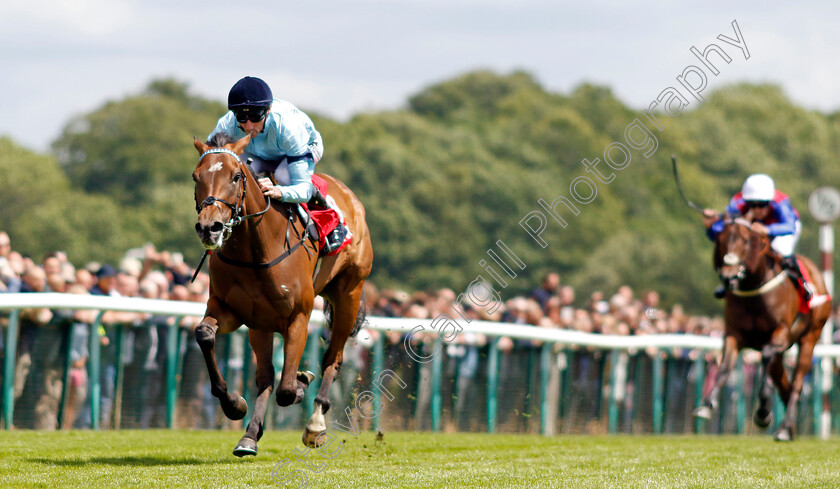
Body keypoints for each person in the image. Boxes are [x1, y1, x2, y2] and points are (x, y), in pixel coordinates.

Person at [207, 76, 349, 254]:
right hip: (259, 153)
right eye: (242, 117)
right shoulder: (227, 123)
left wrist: (279, 191)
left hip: (301, 148)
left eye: (254, 116)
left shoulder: (287, 126)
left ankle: (332, 218)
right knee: (238, 174)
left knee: (283, 176)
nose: (249, 125)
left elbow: (302, 189)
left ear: (268, 110)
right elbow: (211, 161)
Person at [703, 173, 812, 300]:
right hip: (756, 227)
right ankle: (728, 281)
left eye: (762, 204)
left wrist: (767, 229)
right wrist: (710, 225)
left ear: (769, 201)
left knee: (783, 250)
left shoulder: (780, 203)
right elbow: (719, 235)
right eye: (752, 205)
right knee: (735, 246)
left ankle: (803, 284)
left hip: (782, 228)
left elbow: (790, 227)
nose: (757, 210)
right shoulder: (737, 203)